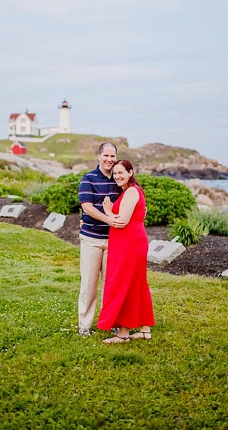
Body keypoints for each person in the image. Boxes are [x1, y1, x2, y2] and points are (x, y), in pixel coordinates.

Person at [97, 159, 155, 343]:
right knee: (137, 284)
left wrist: (107, 211)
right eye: (115, 174)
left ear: (131, 172)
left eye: (121, 172)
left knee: (125, 283)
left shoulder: (131, 191)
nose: (117, 176)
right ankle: (145, 330)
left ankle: (123, 334)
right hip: (130, 241)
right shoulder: (129, 191)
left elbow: (122, 220)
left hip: (130, 242)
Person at [77, 141, 121, 336]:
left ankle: (110, 322)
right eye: (106, 156)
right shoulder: (88, 179)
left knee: (112, 285)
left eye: (113, 156)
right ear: (99, 156)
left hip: (115, 241)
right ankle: (84, 326)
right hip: (92, 239)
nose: (109, 160)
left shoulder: (119, 180)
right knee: (89, 284)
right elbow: (87, 207)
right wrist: (108, 219)